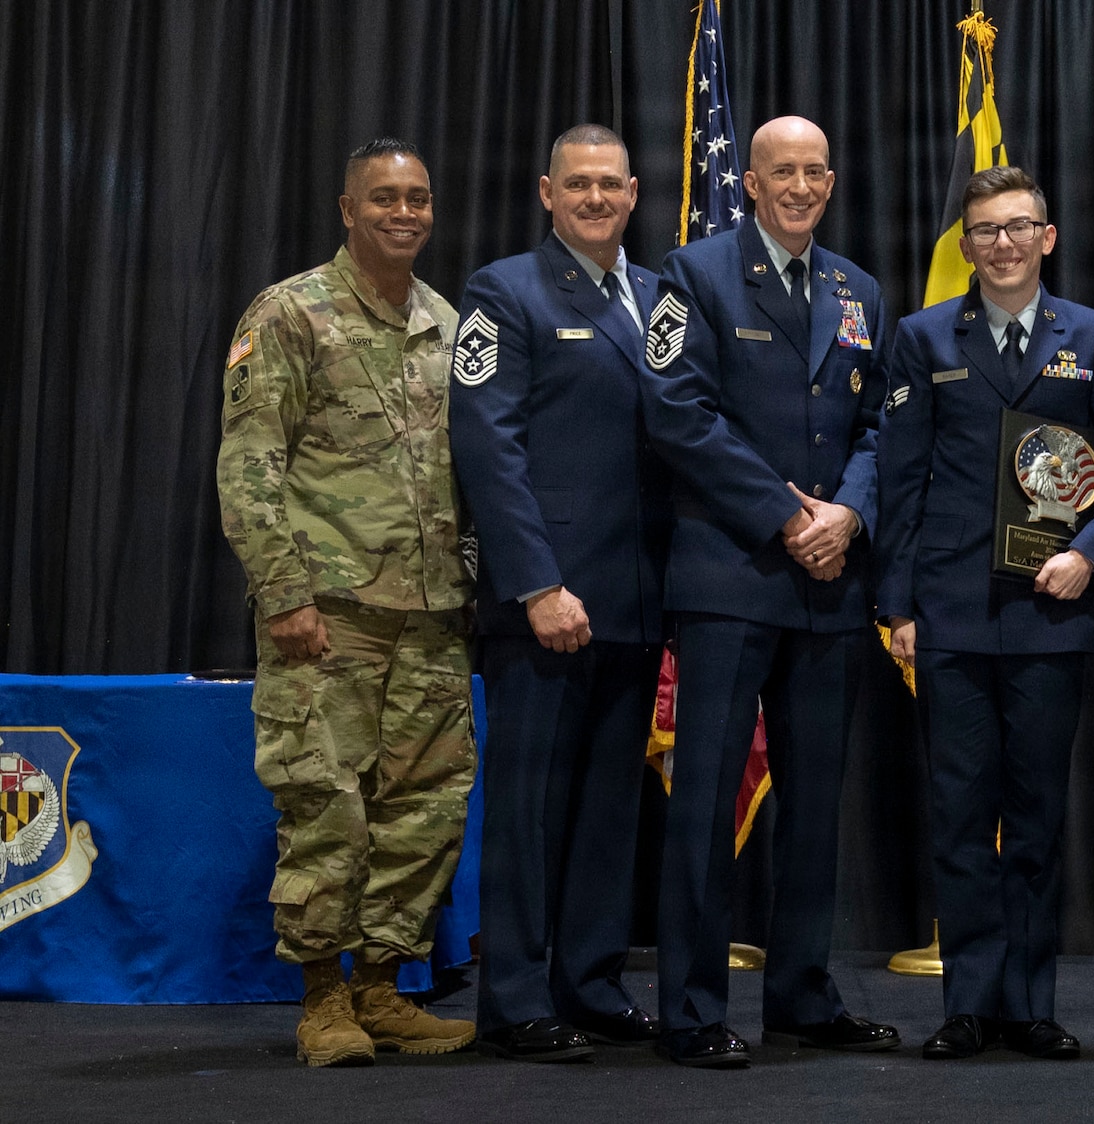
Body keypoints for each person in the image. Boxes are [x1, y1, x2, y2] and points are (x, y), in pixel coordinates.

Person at [878, 166, 1094, 1062]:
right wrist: (898, 608)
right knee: (961, 818)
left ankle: (1031, 1002)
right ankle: (968, 1004)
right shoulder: (924, 336)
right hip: (954, 614)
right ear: (965, 245)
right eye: (985, 231)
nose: (1001, 244)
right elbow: (901, 480)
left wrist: (1092, 555)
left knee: (1037, 817)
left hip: (1051, 614)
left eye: (1018, 227)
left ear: (1049, 237)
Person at [642, 115, 896, 1069]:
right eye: (780, 172)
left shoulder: (857, 288)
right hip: (731, 578)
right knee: (705, 800)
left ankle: (801, 995)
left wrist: (850, 518)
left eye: (814, 173)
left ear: (831, 184)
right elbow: (677, 413)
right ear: (748, 182)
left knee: (817, 804)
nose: (799, 187)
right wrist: (788, 518)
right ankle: (694, 1009)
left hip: (831, 587)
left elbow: (880, 426)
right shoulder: (692, 274)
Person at [217, 137, 477, 1067]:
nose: (403, 213)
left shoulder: (449, 325)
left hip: (434, 614)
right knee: (325, 805)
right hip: (329, 613)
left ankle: (385, 989)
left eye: (417, 197)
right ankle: (323, 1000)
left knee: (424, 809)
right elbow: (249, 465)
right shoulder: (292, 313)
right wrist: (283, 593)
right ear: (346, 207)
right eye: (384, 198)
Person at [451, 124, 672, 1063]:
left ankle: (589, 981)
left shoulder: (663, 299)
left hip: (635, 598)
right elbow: (487, 449)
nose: (594, 199)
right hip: (546, 604)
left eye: (610, 186)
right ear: (547, 191)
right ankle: (512, 998)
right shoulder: (503, 293)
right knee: (529, 810)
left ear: (632, 194)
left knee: (608, 809)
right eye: (576, 184)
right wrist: (537, 582)